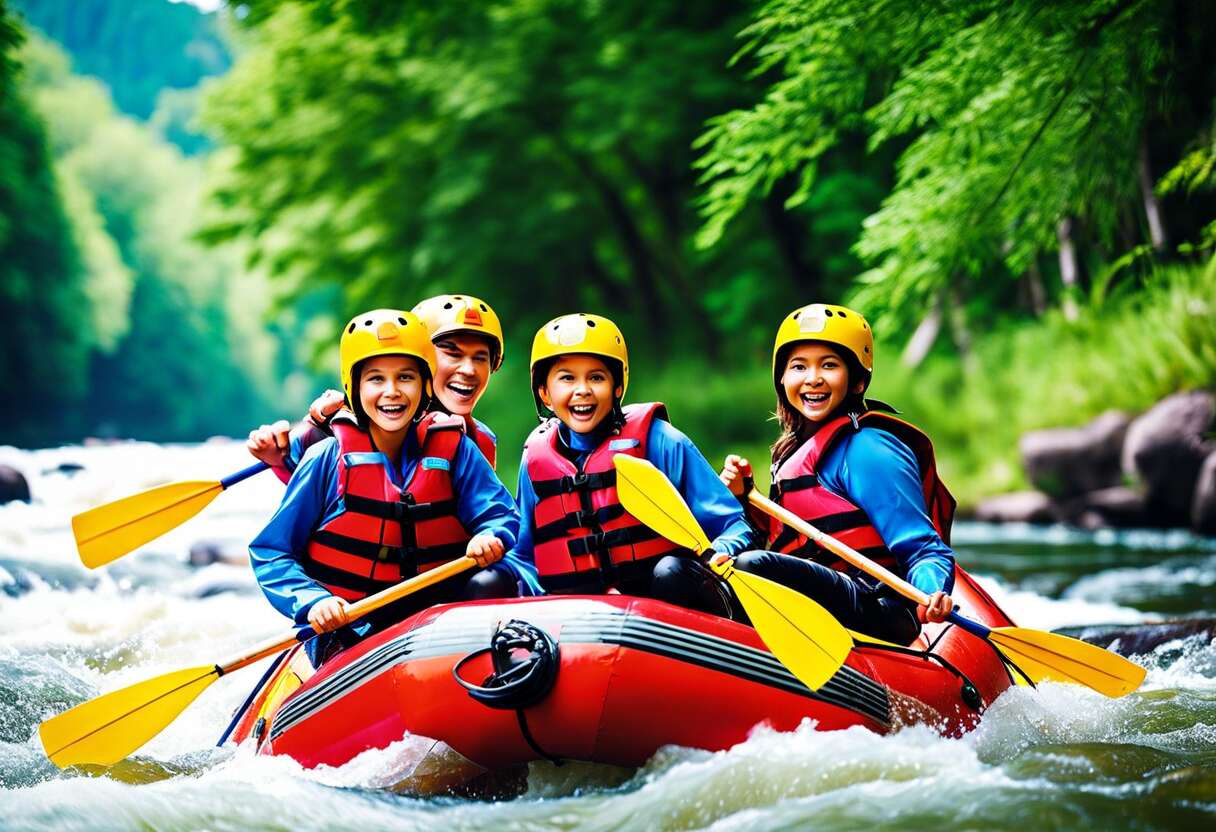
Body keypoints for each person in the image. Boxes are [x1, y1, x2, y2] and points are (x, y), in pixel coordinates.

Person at [248, 309, 524, 666]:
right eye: (376, 379)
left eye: (406, 377)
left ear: (425, 386)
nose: (392, 392)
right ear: (354, 388)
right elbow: (271, 552)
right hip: (353, 626)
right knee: (340, 639)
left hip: (437, 622)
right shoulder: (326, 459)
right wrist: (312, 600)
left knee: (492, 582)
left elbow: (501, 514)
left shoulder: (456, 450)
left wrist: (493, 534)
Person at [716, 303, 957, 645]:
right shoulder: (791, 453)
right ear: (782, 378)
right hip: (821, 605)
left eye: (829, 365)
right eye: (799, 366)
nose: (813, 377)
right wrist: (743, 500)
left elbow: (925, 550)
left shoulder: (869, 449)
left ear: (857, 381)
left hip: (881, 608)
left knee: (753, 568)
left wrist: (931, 593)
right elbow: (783, 542)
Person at [512, 313, 754, 613]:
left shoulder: (661, 441)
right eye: (567, 378)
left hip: (667, 601)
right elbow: (523, 556)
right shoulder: (535, 458)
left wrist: (721, 551)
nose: (582, 389)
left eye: (596, 377)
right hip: (579, 617)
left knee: (671, 571)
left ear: (617, 387)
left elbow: (733, 525)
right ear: (545, 394)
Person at [247, 293, 506, 473]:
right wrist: (279, 458)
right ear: (421, 361)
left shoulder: (480, 438)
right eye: (452, 353)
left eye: (480, 358)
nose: (469, 369)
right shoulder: (355, 426)